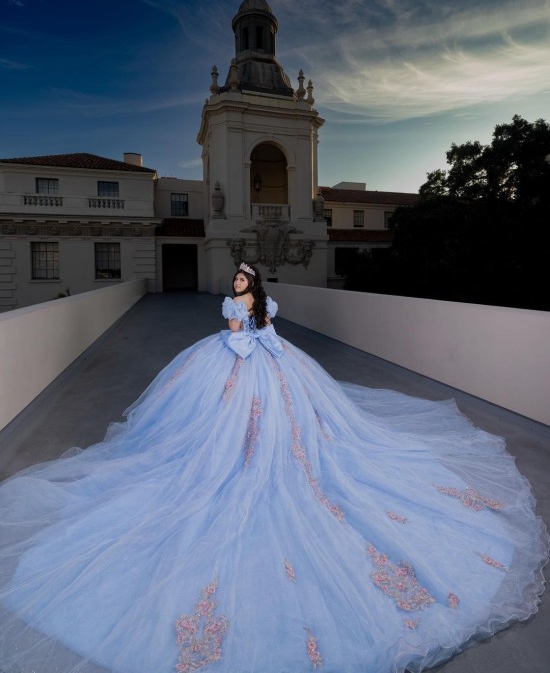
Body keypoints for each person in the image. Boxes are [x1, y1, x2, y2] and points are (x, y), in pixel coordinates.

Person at [0, 262, 547, 673]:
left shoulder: (263, 308)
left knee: (296, 425)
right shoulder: (236, 311)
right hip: (239, 363)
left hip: (270, 362)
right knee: (223, 427)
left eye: (242, 282)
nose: (237, 286)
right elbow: (236, 342)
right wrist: (246, 345)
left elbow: (264, 336)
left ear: (253, 285)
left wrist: (265, 346)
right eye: (235, 282)